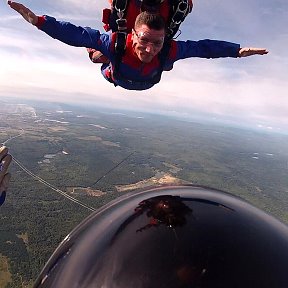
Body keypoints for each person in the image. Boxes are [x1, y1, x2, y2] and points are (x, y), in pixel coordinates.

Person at [8, 1, 268, 91]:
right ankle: (99, 55)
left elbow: (204, 48)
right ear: (132, 34)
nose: (149, 48)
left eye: (157, 42)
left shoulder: (167, 49)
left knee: (167, 61)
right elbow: (75, 34)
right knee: (97, 51)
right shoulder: (116, 41)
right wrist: (38, 21)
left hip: (146, 77)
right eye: (144, 41)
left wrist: (237, 51)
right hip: (117, 74)